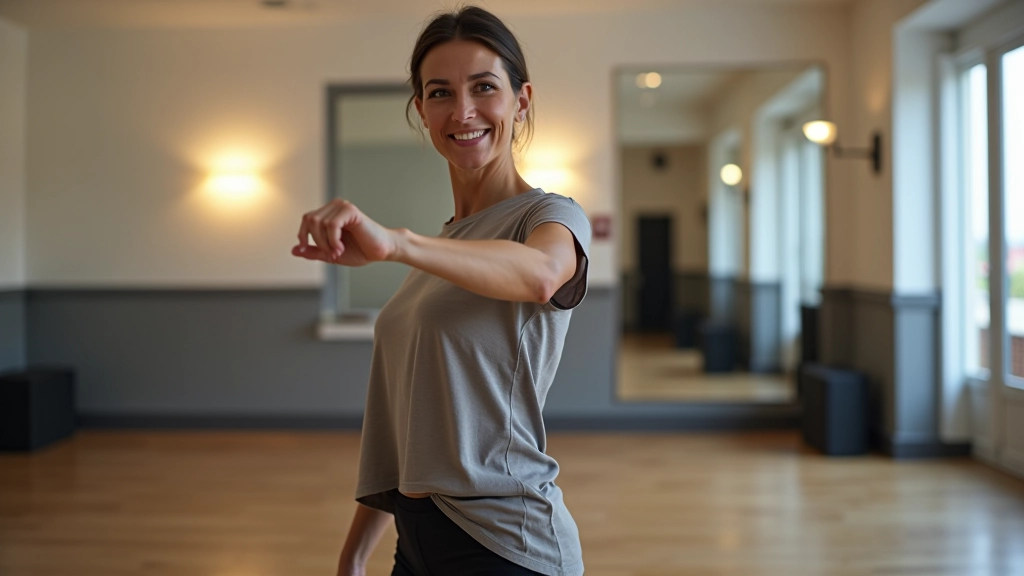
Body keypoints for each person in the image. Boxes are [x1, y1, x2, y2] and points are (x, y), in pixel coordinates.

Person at [292, 6, 590, 576]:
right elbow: (406, 423)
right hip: (417, 537)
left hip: (507, 542)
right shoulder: (445, 246)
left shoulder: (551, 216)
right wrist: (355, 553)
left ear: (521, 100)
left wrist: (398, 244)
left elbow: (540, 274)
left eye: (484, 87)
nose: (463, 111)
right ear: (421, 111)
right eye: (439, 93)